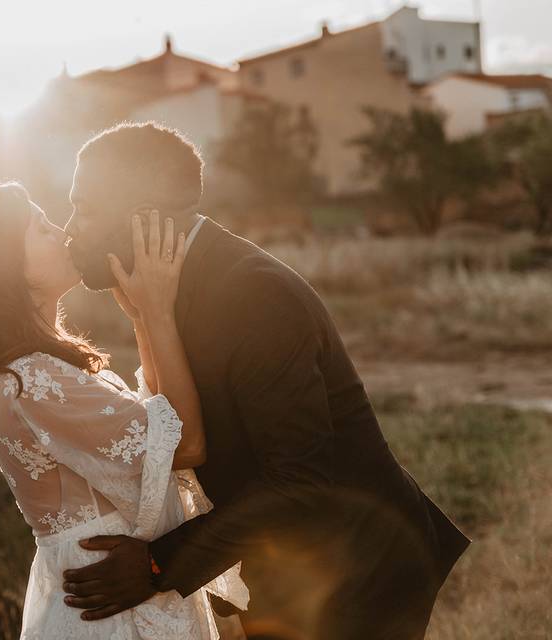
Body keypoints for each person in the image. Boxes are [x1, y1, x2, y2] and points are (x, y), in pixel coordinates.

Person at [60, 122, 471, 640]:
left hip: (360, 567)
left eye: (86, 207)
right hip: (293, 563)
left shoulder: (254, 297)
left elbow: (299, 481)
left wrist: (159, 565)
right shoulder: (164, 290)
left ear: (144, 218)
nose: (70, 227)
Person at [0, 164, 249, 639]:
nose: (62, 232)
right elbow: (186, 445)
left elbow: (158, 418)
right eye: (41, 228)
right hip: (111, 614)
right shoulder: (32, 377)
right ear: (9, 266)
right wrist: (157, 310)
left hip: (103, 596)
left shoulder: (24, 370)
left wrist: (138, 312)